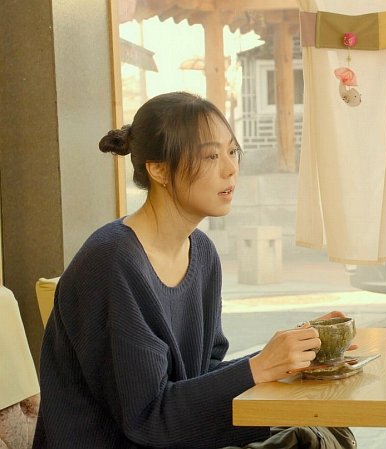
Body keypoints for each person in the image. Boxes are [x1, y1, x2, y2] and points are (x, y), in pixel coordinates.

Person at [34, 92, 355, 449]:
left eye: (232, 152)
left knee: (327, 431)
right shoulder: (112, 262)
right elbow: (148, 420)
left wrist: (293, 356)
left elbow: (201, 377)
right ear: (158, 169)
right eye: (211, 156)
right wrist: (261, 366)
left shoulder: (201, 252)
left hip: (174, 438)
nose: (230, 168)